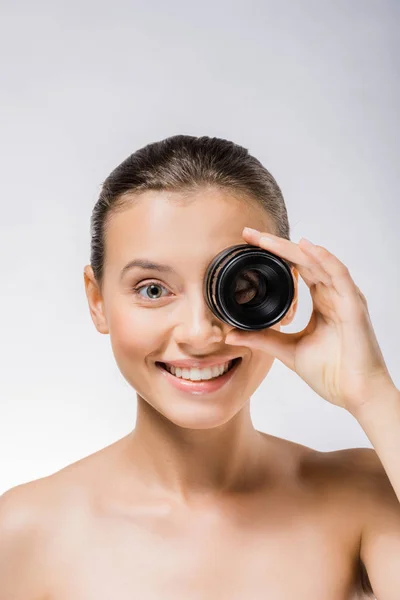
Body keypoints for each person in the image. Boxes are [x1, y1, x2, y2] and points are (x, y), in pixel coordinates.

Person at [1, 134, 400, 599]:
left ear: (284, 294)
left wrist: (371, 391)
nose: (197, 333)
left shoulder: (368, 493)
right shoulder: (24, 531)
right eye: (153, 289)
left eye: (241, 286)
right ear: (97, 301)